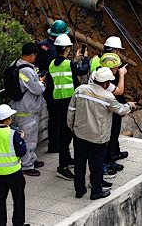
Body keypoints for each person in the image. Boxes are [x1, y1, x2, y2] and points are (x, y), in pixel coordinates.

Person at [67, 67, 134, 200]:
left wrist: (73, 128)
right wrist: (130, 106)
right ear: (105, 83)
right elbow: (121, 110)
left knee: (80, 164)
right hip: (98, 138)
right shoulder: (108, 97)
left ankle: (79, 190)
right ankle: (96, 191)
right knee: (96, 165)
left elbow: (71, 110)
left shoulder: (80, 90)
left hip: (80, 134)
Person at [49, 33, 90, 180]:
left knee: (64, 133)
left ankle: (66, 159)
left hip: (57, 101)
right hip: (68, 102)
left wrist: (75, 60)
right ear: (66, 48)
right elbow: (83, 70)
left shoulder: (52, 64)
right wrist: (85, 58)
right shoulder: (69, 64)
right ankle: (62, 167)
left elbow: (66, 70)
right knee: (66, 135)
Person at [0, 104, 28, 226]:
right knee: (18, 199)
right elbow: (22, 152)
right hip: (14, 173)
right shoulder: (13, 134)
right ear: (7, 119)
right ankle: (18, 224)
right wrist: (21, 139)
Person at [10, 43, 45, 176]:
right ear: (31, 55)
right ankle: (26, 165)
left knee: (31, 138)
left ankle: (31, 159)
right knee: (27, 139)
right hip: (26, 110)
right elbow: (36, 89)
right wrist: (42, 83)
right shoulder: (26, 71)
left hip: (26, 109)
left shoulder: (18, 65)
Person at [38, 19, 70, 153]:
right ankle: (55, 145)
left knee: (53, 117)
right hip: (55, 88)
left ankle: (54, 144)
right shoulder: (54, 51)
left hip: (43, 84)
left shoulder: (41, 45)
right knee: (58, 118)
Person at [97, 51, 131, 174]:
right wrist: (122, 75)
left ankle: (108, 161)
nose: (117, 70)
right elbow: (119, 91)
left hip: (98, 114)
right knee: (107, 139)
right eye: (117, 68)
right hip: (104, 114)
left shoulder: (96, 75)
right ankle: (105, 165)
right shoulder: (105, 82)